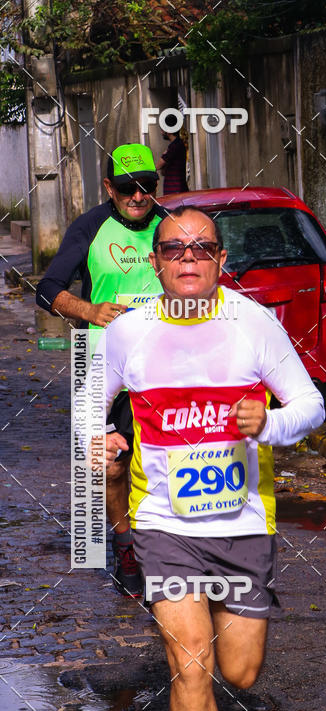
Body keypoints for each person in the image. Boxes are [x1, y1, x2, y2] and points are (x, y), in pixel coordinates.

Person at [90, 205, 325, 711]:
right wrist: (100, 445)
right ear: (156, 261)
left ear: (222, 261)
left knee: (239, 671)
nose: (188, 258)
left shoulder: (254, 323)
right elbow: (88, 410)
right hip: (165, 526)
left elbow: (310, 406)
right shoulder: (129, 334)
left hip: (244, 525)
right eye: (173, 248)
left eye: (202, 248)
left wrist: (269, 424)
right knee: (190, 662)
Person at [36, 143, 166, 598]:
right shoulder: (89, 227)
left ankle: (165, 550)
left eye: (146, 186)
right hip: (101, 366)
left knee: (161, 460)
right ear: (109, 188)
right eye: (127, 188)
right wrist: (89, 310)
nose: (137, 196)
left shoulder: (171, 226)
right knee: (110, 465)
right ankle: (125, 544)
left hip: (161, 368)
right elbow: (48, 289)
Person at [157, 130, 188, 194]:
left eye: (163, 130)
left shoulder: (175, 145)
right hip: (176, 188)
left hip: (175, 189)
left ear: (169, 131)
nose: (161, 132)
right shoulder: (177, 144)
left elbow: (159, 165)